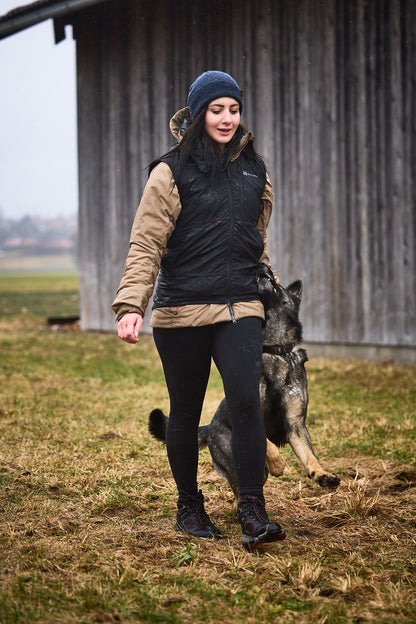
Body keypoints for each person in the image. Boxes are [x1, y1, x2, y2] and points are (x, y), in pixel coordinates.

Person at [112, 70, 286, 548]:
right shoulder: (170, 171)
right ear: (197, 114)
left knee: (247, 404)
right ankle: (189, 506)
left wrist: (265, 286)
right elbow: (146, 240)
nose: (227, 118)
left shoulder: (256, 169)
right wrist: (131, 304)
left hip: (240, 307)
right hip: (181, 310)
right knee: (186, 413)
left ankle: (252, 508)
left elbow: (257, 238)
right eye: (217, 109)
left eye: (234, 109)